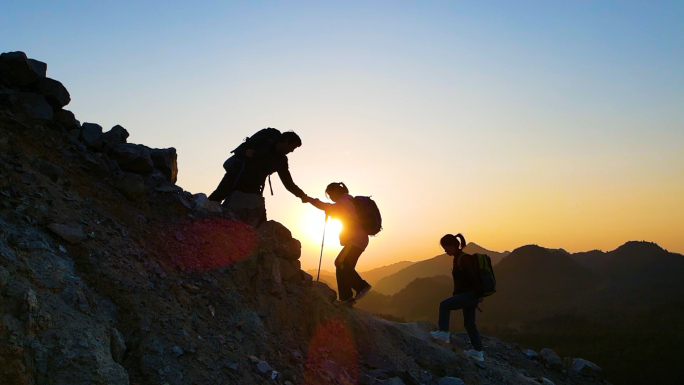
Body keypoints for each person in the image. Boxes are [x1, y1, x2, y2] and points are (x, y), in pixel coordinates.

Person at [303, 182, 372, 305]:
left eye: (330, 194)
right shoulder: (348, 201)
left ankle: (361, 286)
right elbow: (346, 215)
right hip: (359, 239)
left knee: (340, 262)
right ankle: (346, 298)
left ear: (336, 190)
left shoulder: (344, 202)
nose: (331, 197)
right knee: (343, 266)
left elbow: (327, 206)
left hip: (355, 239)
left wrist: (309, 200)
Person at [208, 128, 308, 205]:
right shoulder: (262, 142)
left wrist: (303, 196)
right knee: (214, 200)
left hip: (254, 187)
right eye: (292, 147)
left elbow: (288, 183)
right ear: (286, 141)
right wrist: (245, 152)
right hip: (236, 177)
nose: (292, 151)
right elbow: (238, 150)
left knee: (259, 220)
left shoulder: (281, 160)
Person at [430, 233, 485, 366]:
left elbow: (473, 277)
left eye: (446, 247)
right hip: (471, 295)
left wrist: (478, 295)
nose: (445, 250)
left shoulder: (463, 259)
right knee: (469, 323)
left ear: (453, 246)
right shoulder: (458, 258)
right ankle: (478, 352)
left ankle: (443, 333)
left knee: (444, 305)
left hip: (470, 295)